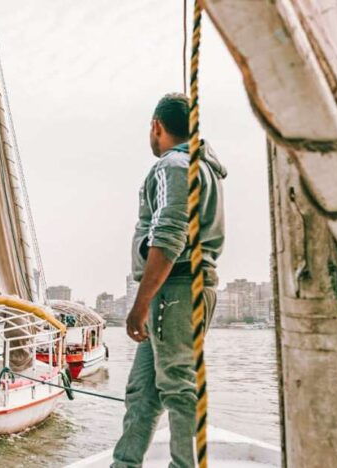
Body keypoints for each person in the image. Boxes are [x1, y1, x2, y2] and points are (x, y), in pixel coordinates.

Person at [112, 93, 226, 468]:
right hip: (180, 290)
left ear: (156, 125)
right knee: (143, 391)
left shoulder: (172, 166)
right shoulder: (200, 166)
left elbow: (169, 235)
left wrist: (140, 304)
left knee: (178, 388)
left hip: (174, 290)